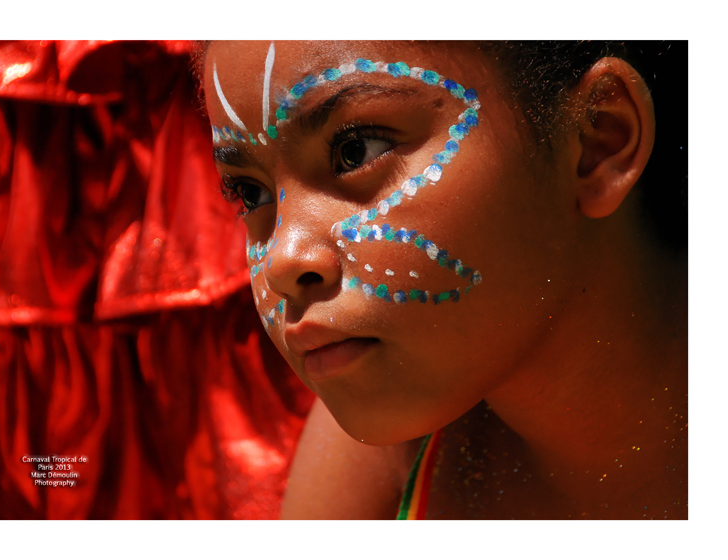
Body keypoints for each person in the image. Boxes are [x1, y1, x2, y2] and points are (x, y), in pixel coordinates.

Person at [197, 40, 687, 519]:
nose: (283, 260)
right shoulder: (381, 456)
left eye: (355, 150)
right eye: (250, 193)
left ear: (597, 140)